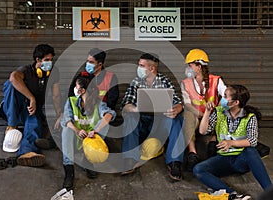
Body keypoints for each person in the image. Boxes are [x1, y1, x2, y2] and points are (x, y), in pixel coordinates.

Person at [194, 84, 272, 199]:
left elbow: (252, 140)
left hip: (241, 160)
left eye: (225, 96)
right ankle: (233, 195)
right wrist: (207, 112)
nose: (222, 99)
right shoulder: (219, 112)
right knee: (198, 170)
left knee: (251, 151)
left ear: (236, 102)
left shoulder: (250, 117)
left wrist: (231, 143)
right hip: (223, 158)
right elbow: (203, 131)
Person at [120, 53, 184, 181]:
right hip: (142, 123)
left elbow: (178, 102)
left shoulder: (164, 81)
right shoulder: (136, 82)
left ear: (152, 69)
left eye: (141, 65)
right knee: (130, 117)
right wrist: (135, 109)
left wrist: (176, 109)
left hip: (161, 123)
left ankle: (174, 162)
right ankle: (129, 159)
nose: (138, 68)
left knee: (177, 118)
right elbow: (125, 105)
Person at [0, 44, 63, 167]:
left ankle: (27, 153)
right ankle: (12, 125)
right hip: (15, 108)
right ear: (38, 60)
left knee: (34, 124)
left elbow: (56, 96)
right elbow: (13, 78)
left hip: (32, 109)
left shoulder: (54, 72)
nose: (50, 63)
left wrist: (60, 113)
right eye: (47, 60)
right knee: (10, 85)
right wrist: (31, 97)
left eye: (51, 60)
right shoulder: (26, 70)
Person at [61, 74, 116, 190]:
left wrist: (96, 131)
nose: (74, 89)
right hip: (76, 138)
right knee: (66, 129)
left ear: (82, 90)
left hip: (91, 139)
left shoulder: (98, 103)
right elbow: (66, 119)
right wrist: (76, 130)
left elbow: (109, 114)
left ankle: (88, 161)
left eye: (76, 87)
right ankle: (69, 171)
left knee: (105, 124)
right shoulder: (71, 101)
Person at [181, 48, 227, 171]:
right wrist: (201, 114)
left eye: (190, 65)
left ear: (199, 66)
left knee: (225, 113)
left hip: (213, 118)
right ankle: (192, 153)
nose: (187, 68)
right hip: (197, 117)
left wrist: (216, 110)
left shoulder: (216, 80)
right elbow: (187, 104)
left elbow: (228, 97)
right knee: (187, 115)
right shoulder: (185, 83)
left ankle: (213, 141)